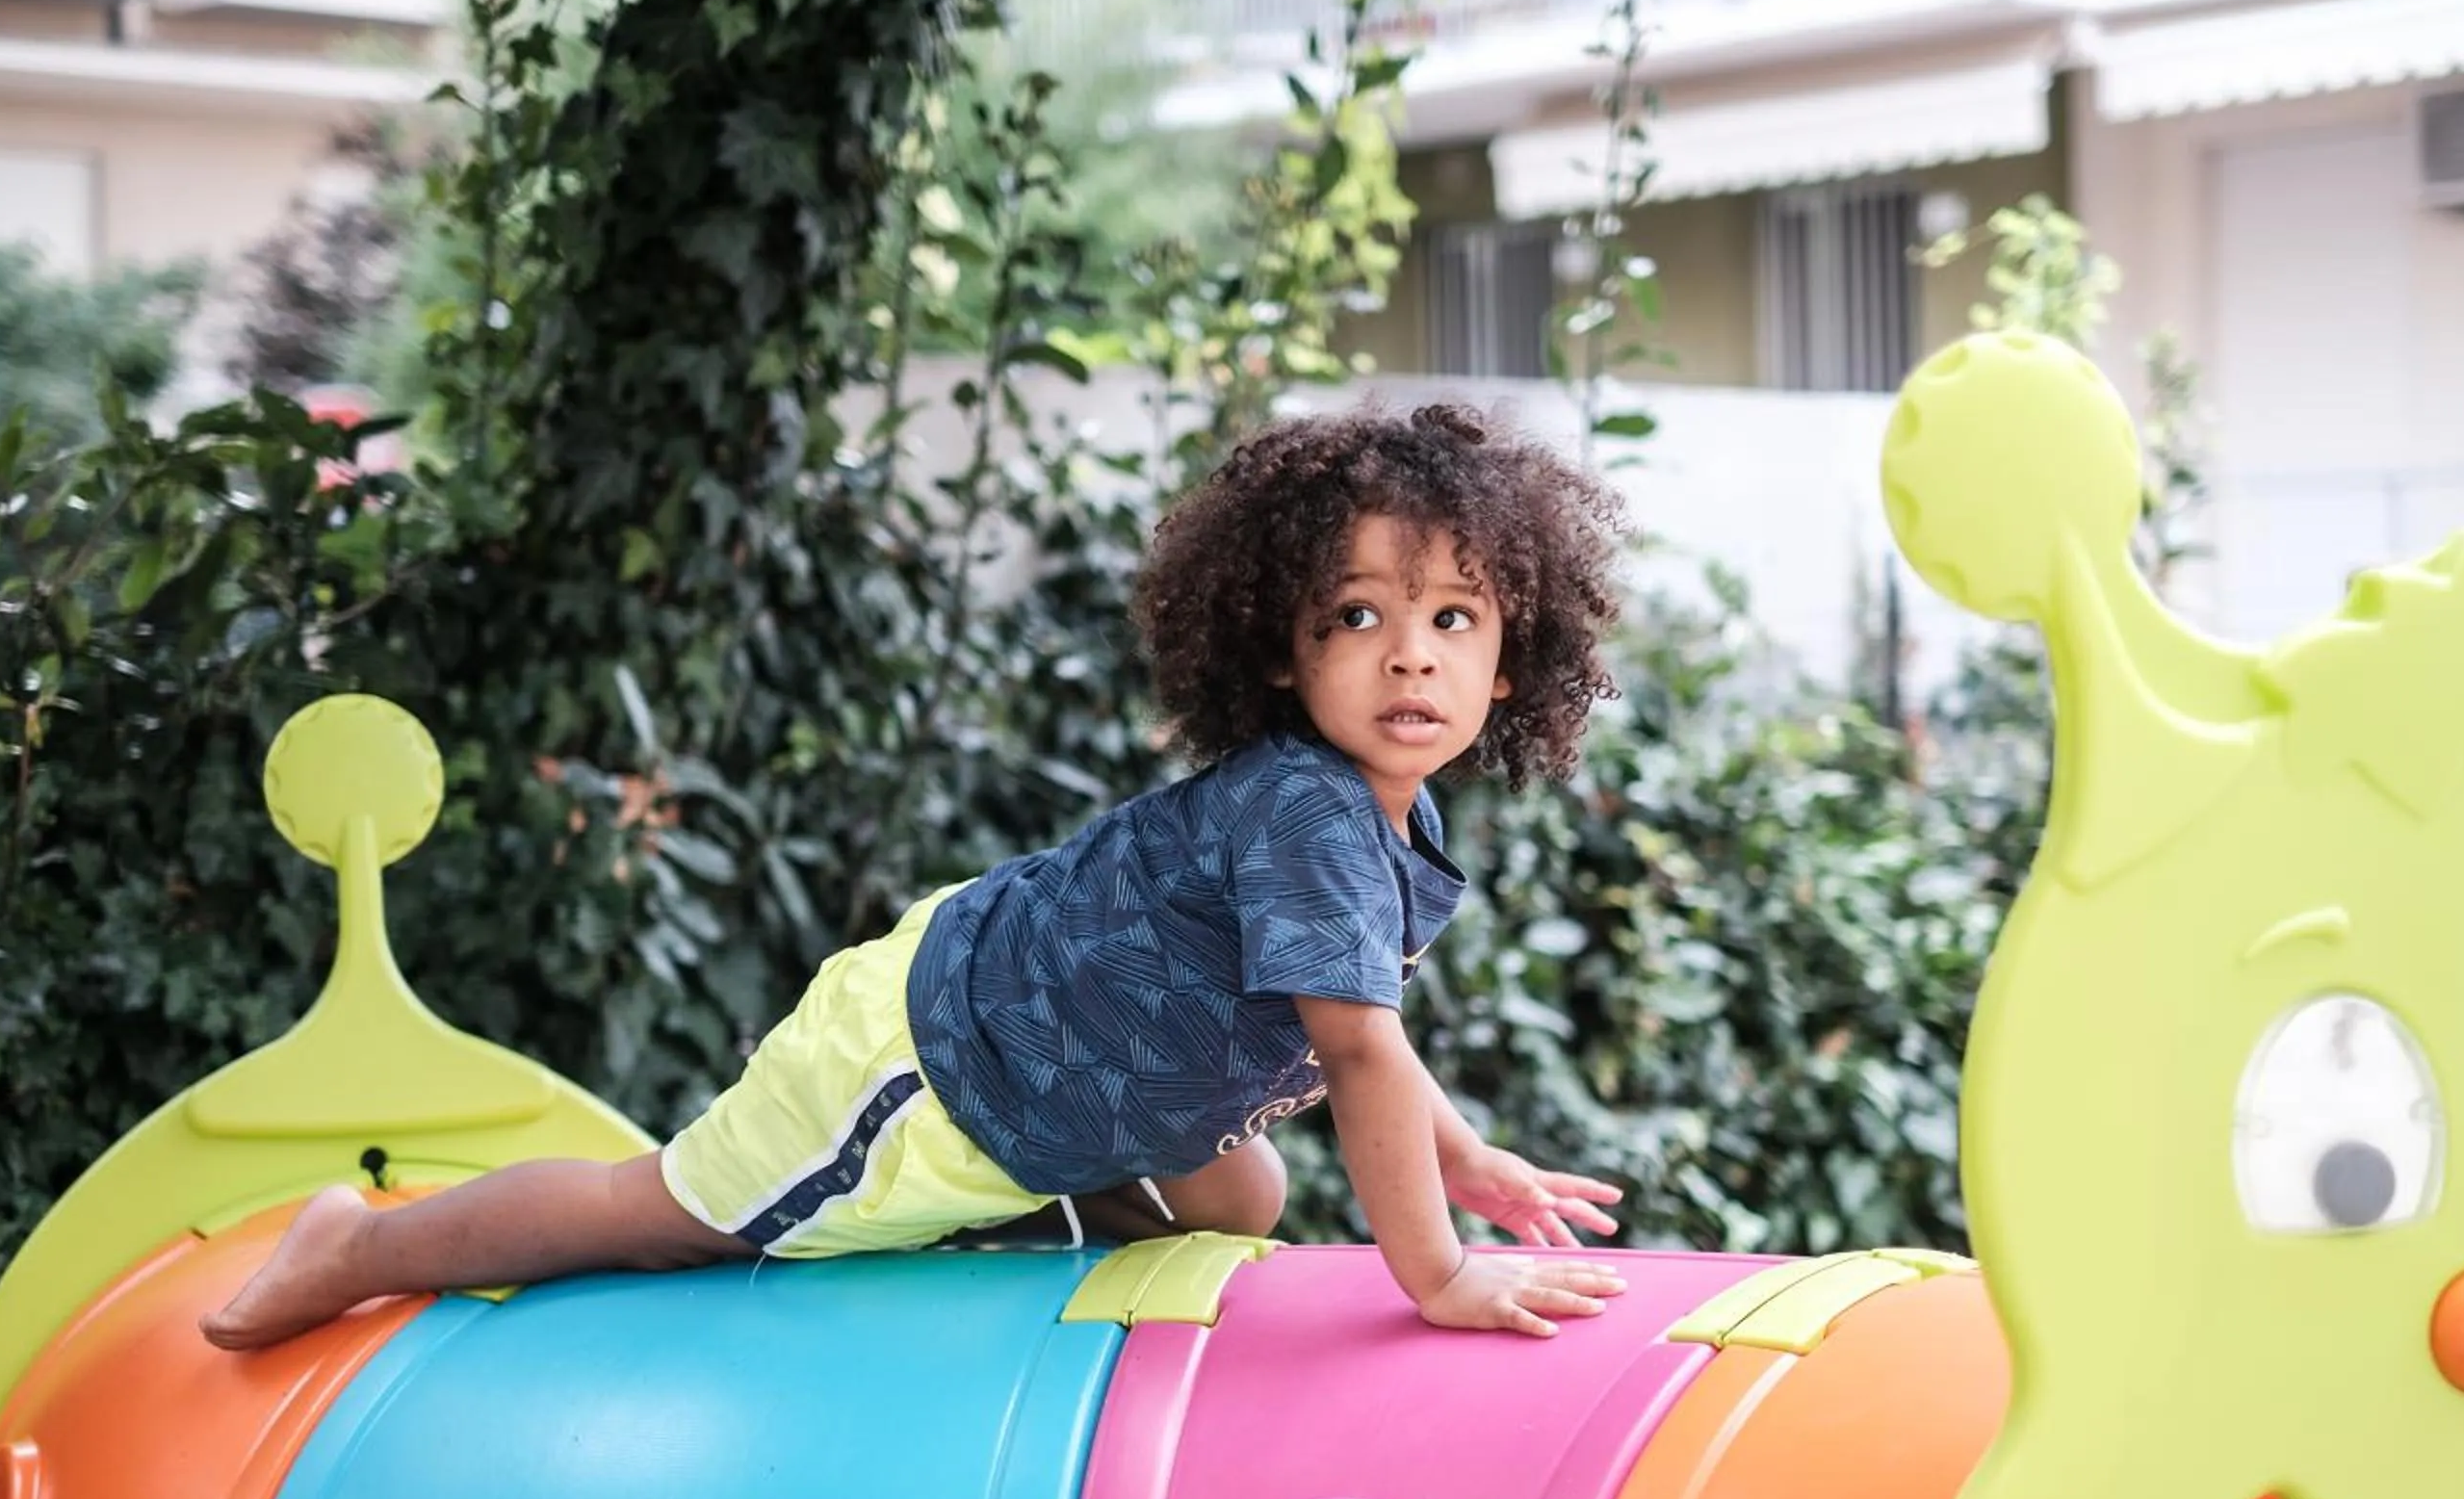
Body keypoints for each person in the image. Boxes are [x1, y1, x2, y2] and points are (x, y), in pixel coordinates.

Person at [202, 400, 1635, 1351]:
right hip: (940, 1058)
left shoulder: (1389, 827)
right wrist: (1437, 1271)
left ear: (1511, 661)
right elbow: (1364, 1055)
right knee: (669, 1220)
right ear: (1279, 648)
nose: (1411, 654)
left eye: (1455, 618)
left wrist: (1470, 1157)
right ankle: (360, 1250)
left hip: (1082, 1053)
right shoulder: (1312, 813)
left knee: (1240, 1199)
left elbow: (1361, 1031)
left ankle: (1029, 1211)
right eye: (1360, 616)